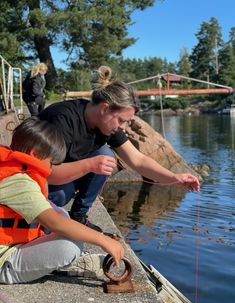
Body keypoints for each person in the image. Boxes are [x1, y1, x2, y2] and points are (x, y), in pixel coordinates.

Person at [39, 66, 200, 232]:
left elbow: (138, 160)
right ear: (104, 109)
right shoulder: (62, 120)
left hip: (64, 172)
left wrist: (174, 178)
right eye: (122, 120)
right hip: (33, 178)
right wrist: (90, 165)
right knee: (62, 194)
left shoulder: (107, 123)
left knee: (105, 154)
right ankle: (37, 222)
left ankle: (79, 216)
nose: (123, 127)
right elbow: (47, 173)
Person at [0, 117, 124, 284]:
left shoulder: (12, 168)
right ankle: (63, 263)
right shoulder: (19, 182)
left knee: (59, 211)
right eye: (51, 163)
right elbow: (55, 223)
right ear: (35, 155)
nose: (51, 168)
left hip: (11, 244)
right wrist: (103, 240)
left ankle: (61, 262)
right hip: (4, 260)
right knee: (70, 246)